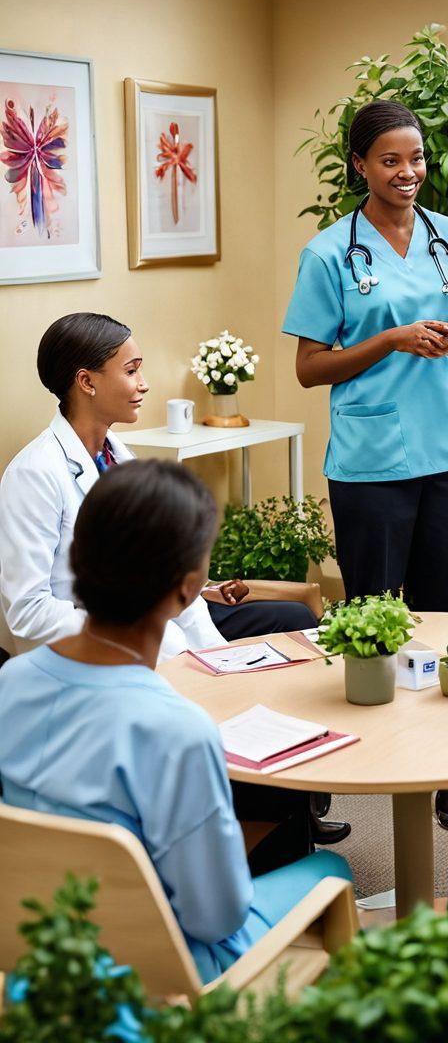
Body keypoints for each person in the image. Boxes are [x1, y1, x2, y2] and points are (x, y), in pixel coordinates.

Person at [0, 312, 348, 845]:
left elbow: (162, 570)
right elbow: (26, 612)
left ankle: (292, 800)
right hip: (100, 645)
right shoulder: (35, 474)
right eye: (132, 370)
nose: (144, 384)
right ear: (86, 381)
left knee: (288, 624)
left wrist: (209, 657)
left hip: (153, 626)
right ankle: (275, 823)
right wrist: (157, 642)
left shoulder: (121, 455)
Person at [0, 459, 352, 982]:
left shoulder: (10, 683)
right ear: (188, 589)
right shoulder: (178, 731)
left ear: (78, 560)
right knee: (331, 871)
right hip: (166, 975)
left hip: (36, 951)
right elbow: (216, 918)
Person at [283, 99, 448, 830]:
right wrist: (391, 340)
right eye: (391, 160)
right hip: (372, 454)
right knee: (373, 607)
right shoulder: (327, 253)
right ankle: (371, 753)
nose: (409, 173)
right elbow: (311, 369)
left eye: (417, 159)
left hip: (446, 445)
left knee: (445, 601)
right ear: (360, 166)